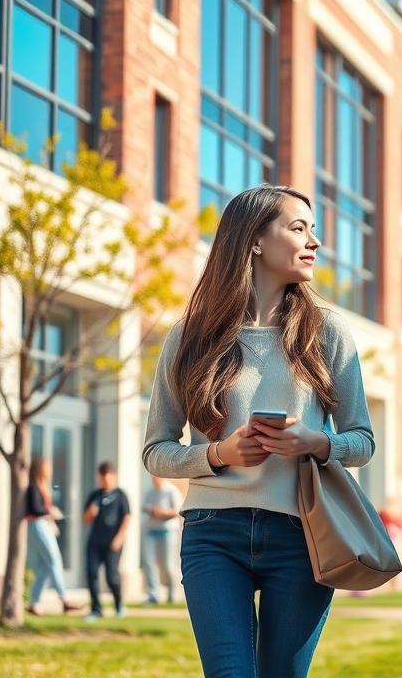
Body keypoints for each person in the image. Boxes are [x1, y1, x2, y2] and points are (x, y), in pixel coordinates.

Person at [143, 184, 375, 677]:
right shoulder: (189, 336)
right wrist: (218, 453)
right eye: (298, 228)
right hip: (212, 533)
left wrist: (317, 443)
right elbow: (156, 451)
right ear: (253, 240)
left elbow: (362, 441)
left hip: (302, 535)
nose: (315, 241)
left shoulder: (327, 332)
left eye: (313, 230)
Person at [25, 458, 82, 616]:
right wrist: (49, 512)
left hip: (40, 525)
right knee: (54, 559)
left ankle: (34, 602)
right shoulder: (33, 488)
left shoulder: (41, 487)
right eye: (47, 468)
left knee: (44, 567)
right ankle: (64, 599)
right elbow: (35, 509)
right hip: (37, 525)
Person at [83, 461, 131, 621]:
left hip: (113, 543)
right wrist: (90, 513)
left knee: (112, 576)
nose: (105, 480)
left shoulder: (120, 495)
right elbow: (86, 520)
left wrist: (119, 539)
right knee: (91, 573)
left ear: (113, 476)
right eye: (102, 477)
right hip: (95, 542)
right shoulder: (94, 496)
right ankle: (96, 610)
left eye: (107, 476)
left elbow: (127, 518)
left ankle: (119, 606)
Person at [141, 474, 182, 604]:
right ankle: (153, 594)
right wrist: (151, 511)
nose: (154, 480)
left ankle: (173, 593)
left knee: (168, 564)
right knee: (149, 563)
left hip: (167, 530)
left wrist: (161, 513)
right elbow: (144, 507)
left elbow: (177, 512)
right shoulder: (149, 492)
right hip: (151, 530)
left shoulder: (171, 491)